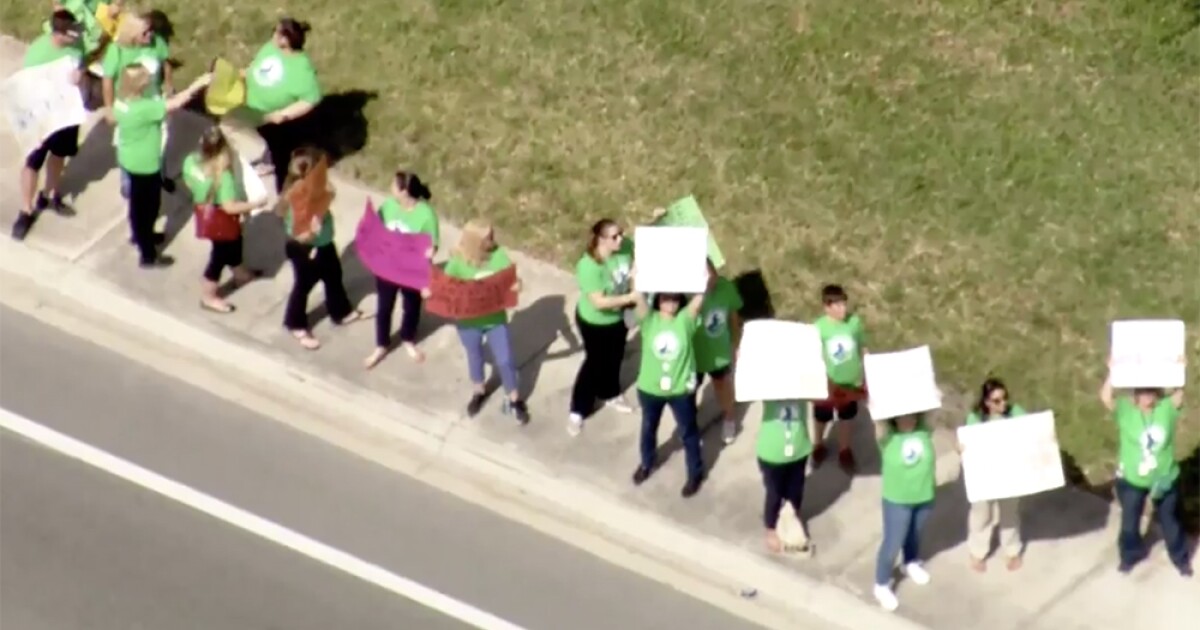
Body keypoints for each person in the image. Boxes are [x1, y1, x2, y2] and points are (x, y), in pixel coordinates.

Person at [1099, 361, 1191, 577]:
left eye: (1152, 391)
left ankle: (1180, 560)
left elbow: (1179, 394)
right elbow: (1105, 397)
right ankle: (1129, 556)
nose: (1148, 395)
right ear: (1136, 394)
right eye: (1143, 391)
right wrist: (1114, 371)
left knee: (1170, 522)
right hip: (1132, 480)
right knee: (1129, 523)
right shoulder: (1125, 410)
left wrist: (1180, 368)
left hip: (1165, 478)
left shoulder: (1166, 408)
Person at [112, 66, 210, 268]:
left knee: (137, 206)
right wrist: (199, 84)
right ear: (139, 84)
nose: (149, 79)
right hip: (145, 164)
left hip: (129, 159)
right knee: (147, 208)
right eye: (145, 78)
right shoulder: (145, 108)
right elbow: (175, 103)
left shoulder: (121, 103)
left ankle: (141, 236)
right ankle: (148, 254)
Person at [439, 220, 530, 423]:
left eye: (492, 234)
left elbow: (512, 279)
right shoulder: (458, 262)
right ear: (474, 242)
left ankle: (514, 399)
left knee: (505, 359)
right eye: (488, 237)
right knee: (475, 355)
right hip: (469, 321)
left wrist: (517, 285)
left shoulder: (498, 255)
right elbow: (445, 287)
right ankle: (479, 391)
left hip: (495, 319)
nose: (493, 239)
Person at [276, 147, 363, 349]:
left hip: (323, 244)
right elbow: (299, 236)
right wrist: (313, 231)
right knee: (303, 286)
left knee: (333, 275)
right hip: (306, 250)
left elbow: (331, 194)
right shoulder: (300, 199)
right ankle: (295, 323)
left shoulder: (313, 190)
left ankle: (340, 311)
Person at [12, 10, 85, 242]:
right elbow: (27, 90)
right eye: (70, 35)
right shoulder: (38, 53)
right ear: (58, 34)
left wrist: (79, 75)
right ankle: (26, 209)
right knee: (33, 163)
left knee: (59, 154)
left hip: (65, 113)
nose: (76, 38)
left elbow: (80, 65)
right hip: (41, 117)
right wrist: (36, 127)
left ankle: (50, 195)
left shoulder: (76, 45)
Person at [629, 288, 707, 498]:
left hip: (680, 390)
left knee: (688, 432)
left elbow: (700, 296)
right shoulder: (649, 321)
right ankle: (646, 463)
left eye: (675, 298)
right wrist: (637, 271)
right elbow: (637, 296)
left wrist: (701, 276)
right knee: (648, 428)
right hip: (650, 389)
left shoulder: (685, 320)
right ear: (658, 300)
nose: (671, 302)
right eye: (665, 297)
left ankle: (694, 474)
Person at [182, 126, 268, 313]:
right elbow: (230, 207)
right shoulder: (224, 178)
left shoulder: (190, 161)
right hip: (221, 219)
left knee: (235, 244)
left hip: (205, 211)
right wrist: (256, 204)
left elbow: (188, 182)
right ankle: (209, 297)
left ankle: (241, 275)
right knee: (219, 258)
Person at [567, 218, 637, 436]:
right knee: (594, 364)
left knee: (615, 356)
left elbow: (636, 265)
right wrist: (630, 298)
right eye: (615, 236)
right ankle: (578, 410)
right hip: (595, 322)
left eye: (621, 234)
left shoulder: (626, 248)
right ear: (601, 239)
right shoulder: (589, 265)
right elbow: (599, 302)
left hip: (618, 319)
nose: (621, 239)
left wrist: (635, 279)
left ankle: (610, 393)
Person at [364, 171, 440, 368]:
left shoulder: (426, 214)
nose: (391, 189)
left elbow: (432, 244)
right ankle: (381, 344)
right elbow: (376, 229)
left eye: (394, 186)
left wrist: (430, 257)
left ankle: (408, 338)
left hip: (411, 270)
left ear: (404, 192)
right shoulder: (389, 206)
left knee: (412, 307)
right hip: (388, 268)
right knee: (384, 307)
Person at [101, 12, 175, 201]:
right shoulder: (116, 51)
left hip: (154, 101)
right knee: (128, 145)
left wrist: (168, 85)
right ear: (132, 35)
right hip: (128, 105)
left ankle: (159, 175)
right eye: (145, 33)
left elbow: (166, 63)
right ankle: (128, 183)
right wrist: (109, 108)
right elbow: (107, 80)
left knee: (161, 141)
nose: (150, 35)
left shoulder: (156, 42)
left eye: (150, 31)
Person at [244, 18, 322, 192]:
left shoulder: (302, 69)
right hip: (254, 112)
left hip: (274, 123)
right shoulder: (271, 47)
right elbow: (257, 65)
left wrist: (284, 114)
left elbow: (310, 99)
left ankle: (285, 191)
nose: (273, 34)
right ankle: (265, 161)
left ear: (285, 41)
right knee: (260, 143)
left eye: (276, 32)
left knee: (280, 156)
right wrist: (245, 73)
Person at [961, 378, 1028, 572]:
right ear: (987, 403)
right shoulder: (975, 419)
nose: (1003, 403)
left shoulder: (1016, 413)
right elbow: (968, 444)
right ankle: (977, 552)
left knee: (1010, 513)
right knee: (982, 514)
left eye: (1005, 398)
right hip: (984, 473)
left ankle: (1012, 550)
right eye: (997, 400)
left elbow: (1031, 431)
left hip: (1010, 472)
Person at [873, 414, 936, 612]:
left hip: (924, 494)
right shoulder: (888, 436)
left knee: (914, 535)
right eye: (905, 416)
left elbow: (933, 410)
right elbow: (878, 421)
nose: (911, 419)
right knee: (892, 543)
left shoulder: (924, 430)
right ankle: (881, 584)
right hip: (897, 500)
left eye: (913, 416)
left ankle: (910, 562)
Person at [813, 284, 868, 473]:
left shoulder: (854, 323)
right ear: (826, 307)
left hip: (851, 382)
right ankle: (818, 444)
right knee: (821, 416)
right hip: (827, 383)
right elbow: (812, 355)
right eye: (836, 305)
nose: (842, 309)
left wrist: (868, 369)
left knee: (847, 417)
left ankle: (845, 450)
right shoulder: (818, 328)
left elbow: (862, 347)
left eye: (843, 304)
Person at [694, 259, 744, 444]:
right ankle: (690, 426)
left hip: (720, 352)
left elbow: (733, 318)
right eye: (703, 276)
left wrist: (736, 344)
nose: (709, 280)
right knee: (689, 390)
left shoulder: (726, 288)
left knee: (723, 386)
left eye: (710, 273)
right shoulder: (688, 294)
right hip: (695, 353)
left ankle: (729, 419)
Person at [757, 399, 812, 552]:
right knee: (774, 493)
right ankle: (771, 528)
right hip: (772, 453)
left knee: (796, 489)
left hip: (799, 448)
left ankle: (792, 517)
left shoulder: (801, 385)